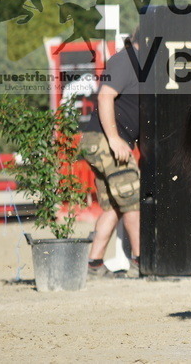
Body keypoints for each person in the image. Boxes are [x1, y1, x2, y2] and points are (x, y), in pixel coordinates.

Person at [80, 35, 143, 278]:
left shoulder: (135, 63)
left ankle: (94, 264)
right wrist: (115, 139)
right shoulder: (125, 60)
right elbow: (105, 96)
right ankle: (141, 262)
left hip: (100, 141)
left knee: (114, 206)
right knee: (132, 201)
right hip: (106, 141)